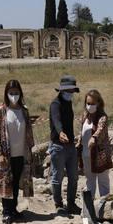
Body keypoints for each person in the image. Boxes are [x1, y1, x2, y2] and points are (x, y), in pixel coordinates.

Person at [0, 79, 35, 224]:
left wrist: (30, 148)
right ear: (6, 93)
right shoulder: (0, 111)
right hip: (5, 155)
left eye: (16, 93)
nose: (13, 95)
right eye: (11, 93)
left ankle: (13, 210)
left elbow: (28, 131)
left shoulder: (24, 110)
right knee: (5, 184)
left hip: (20, 154)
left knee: (15, 183)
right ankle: (6, 213)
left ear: (20, 93)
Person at [49, 76, 81, 215]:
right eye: (68, 91)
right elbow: (56, 120)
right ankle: (58, 204)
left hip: (71, 146)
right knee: (58, 176)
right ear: (62, 90)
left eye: (72, 91)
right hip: (58, 145)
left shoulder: (68, 103)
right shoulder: (55, 104)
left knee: (73, 176)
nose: (70, 93)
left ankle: (71, 203)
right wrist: (60, 132)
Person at [79, 89, 113, 201]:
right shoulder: (84, 116)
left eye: (92, 104)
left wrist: (94, 138)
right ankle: (90, 206)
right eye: (88, 103)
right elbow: (81, 132)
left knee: (103, 180)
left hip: (100, 155)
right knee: (90, 180)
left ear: (98, 103)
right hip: (86, 154)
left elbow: (100, 130)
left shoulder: (102, 117)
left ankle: (104, 205)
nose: (90, 106)